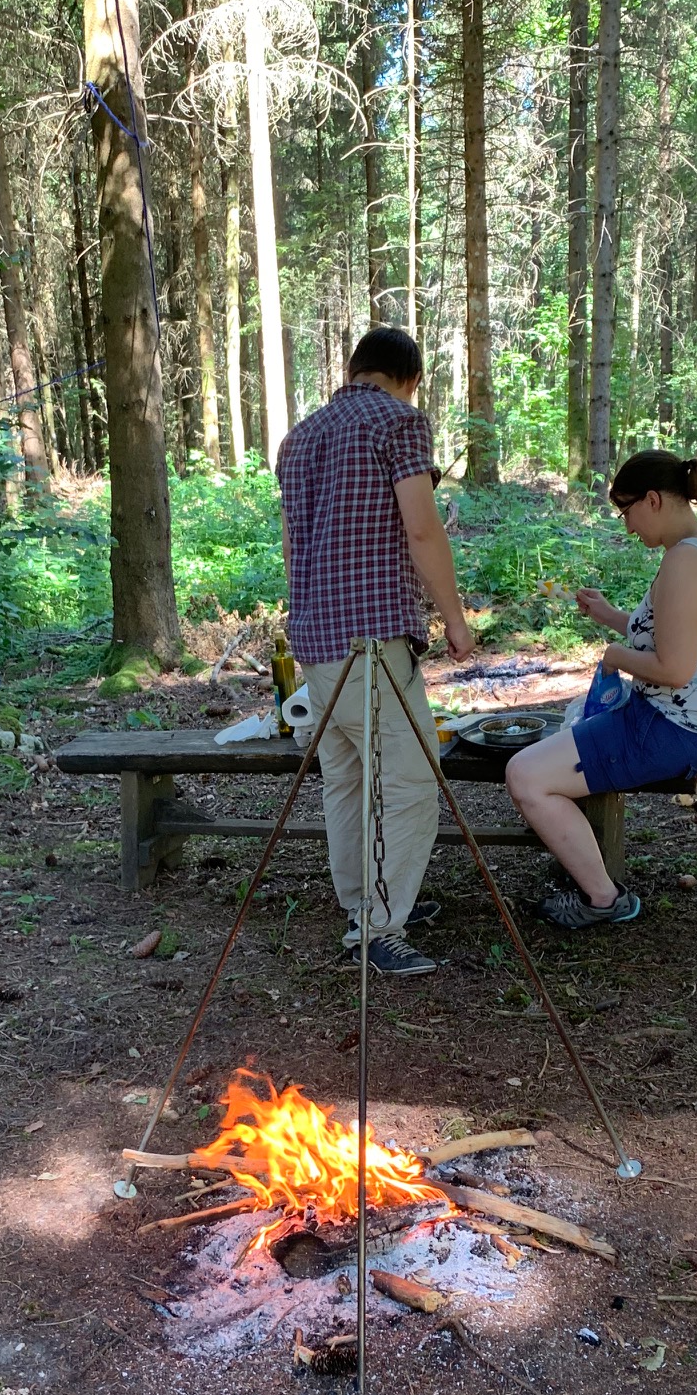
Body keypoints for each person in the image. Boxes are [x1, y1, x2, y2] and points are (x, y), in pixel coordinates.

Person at [276, 326, 475, 977]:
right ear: (408, 379)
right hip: (370, 642)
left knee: (348, 777)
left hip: (315, 639)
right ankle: (380, 927)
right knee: (411, 780)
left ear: (354, 370)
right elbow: (422, 528)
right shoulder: (399, 422)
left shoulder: (300, 437)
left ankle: (366, 902)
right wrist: (455, 619)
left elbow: (293, 545)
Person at [505, 449, 697, 929]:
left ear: (653, 500)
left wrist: (614, 656)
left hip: (675, 725)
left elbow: (675, 668)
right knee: (559, 743)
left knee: (525, 776)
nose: (627, 526)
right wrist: (611, 617)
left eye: (626, 511)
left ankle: (603, 898)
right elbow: (686, 635)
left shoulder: (684, 561)